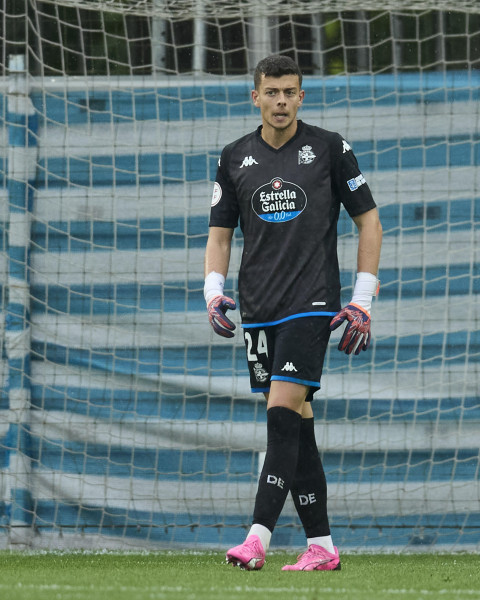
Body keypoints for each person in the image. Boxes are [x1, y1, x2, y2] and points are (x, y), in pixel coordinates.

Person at [203, 54, 382, 572]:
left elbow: (369, 222)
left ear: (301, 96)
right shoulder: (234, 157)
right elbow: (220, 235)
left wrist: (361, 300)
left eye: (290, 92)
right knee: (297, 429)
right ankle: (321, 546)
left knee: (280, 416)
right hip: (258, 308)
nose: (281, 101)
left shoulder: (329, 148)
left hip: (313, 304)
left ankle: (256, 538)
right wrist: (213, 291)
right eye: (272, 92)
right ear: (254, 97)